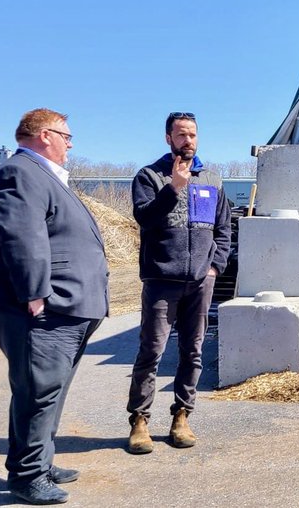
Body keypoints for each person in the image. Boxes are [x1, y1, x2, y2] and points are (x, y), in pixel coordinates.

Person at [0, 108, 109, 505]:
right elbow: (21, 236)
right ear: (45, 135)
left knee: (50, 390)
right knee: (37, 391)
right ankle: (28, 475)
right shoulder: (19, 174)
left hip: (67, 307)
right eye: (67, 135)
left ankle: (40, 461)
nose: (70, 143)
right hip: (41, 309)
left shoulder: (43, 177)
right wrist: (34, 293)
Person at [126, 111, 231, 454]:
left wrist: (215, 267)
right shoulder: (149, 177)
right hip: (161, 280)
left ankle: (182, 416)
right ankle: (140, 421)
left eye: (193, 135)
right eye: (181, 135)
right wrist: (173, 188)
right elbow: (145, 218)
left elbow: (224, 228)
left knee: (193, 351)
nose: (188, 140)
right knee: (151, 351)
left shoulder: (212, 180)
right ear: (168, 138)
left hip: (200, 281)